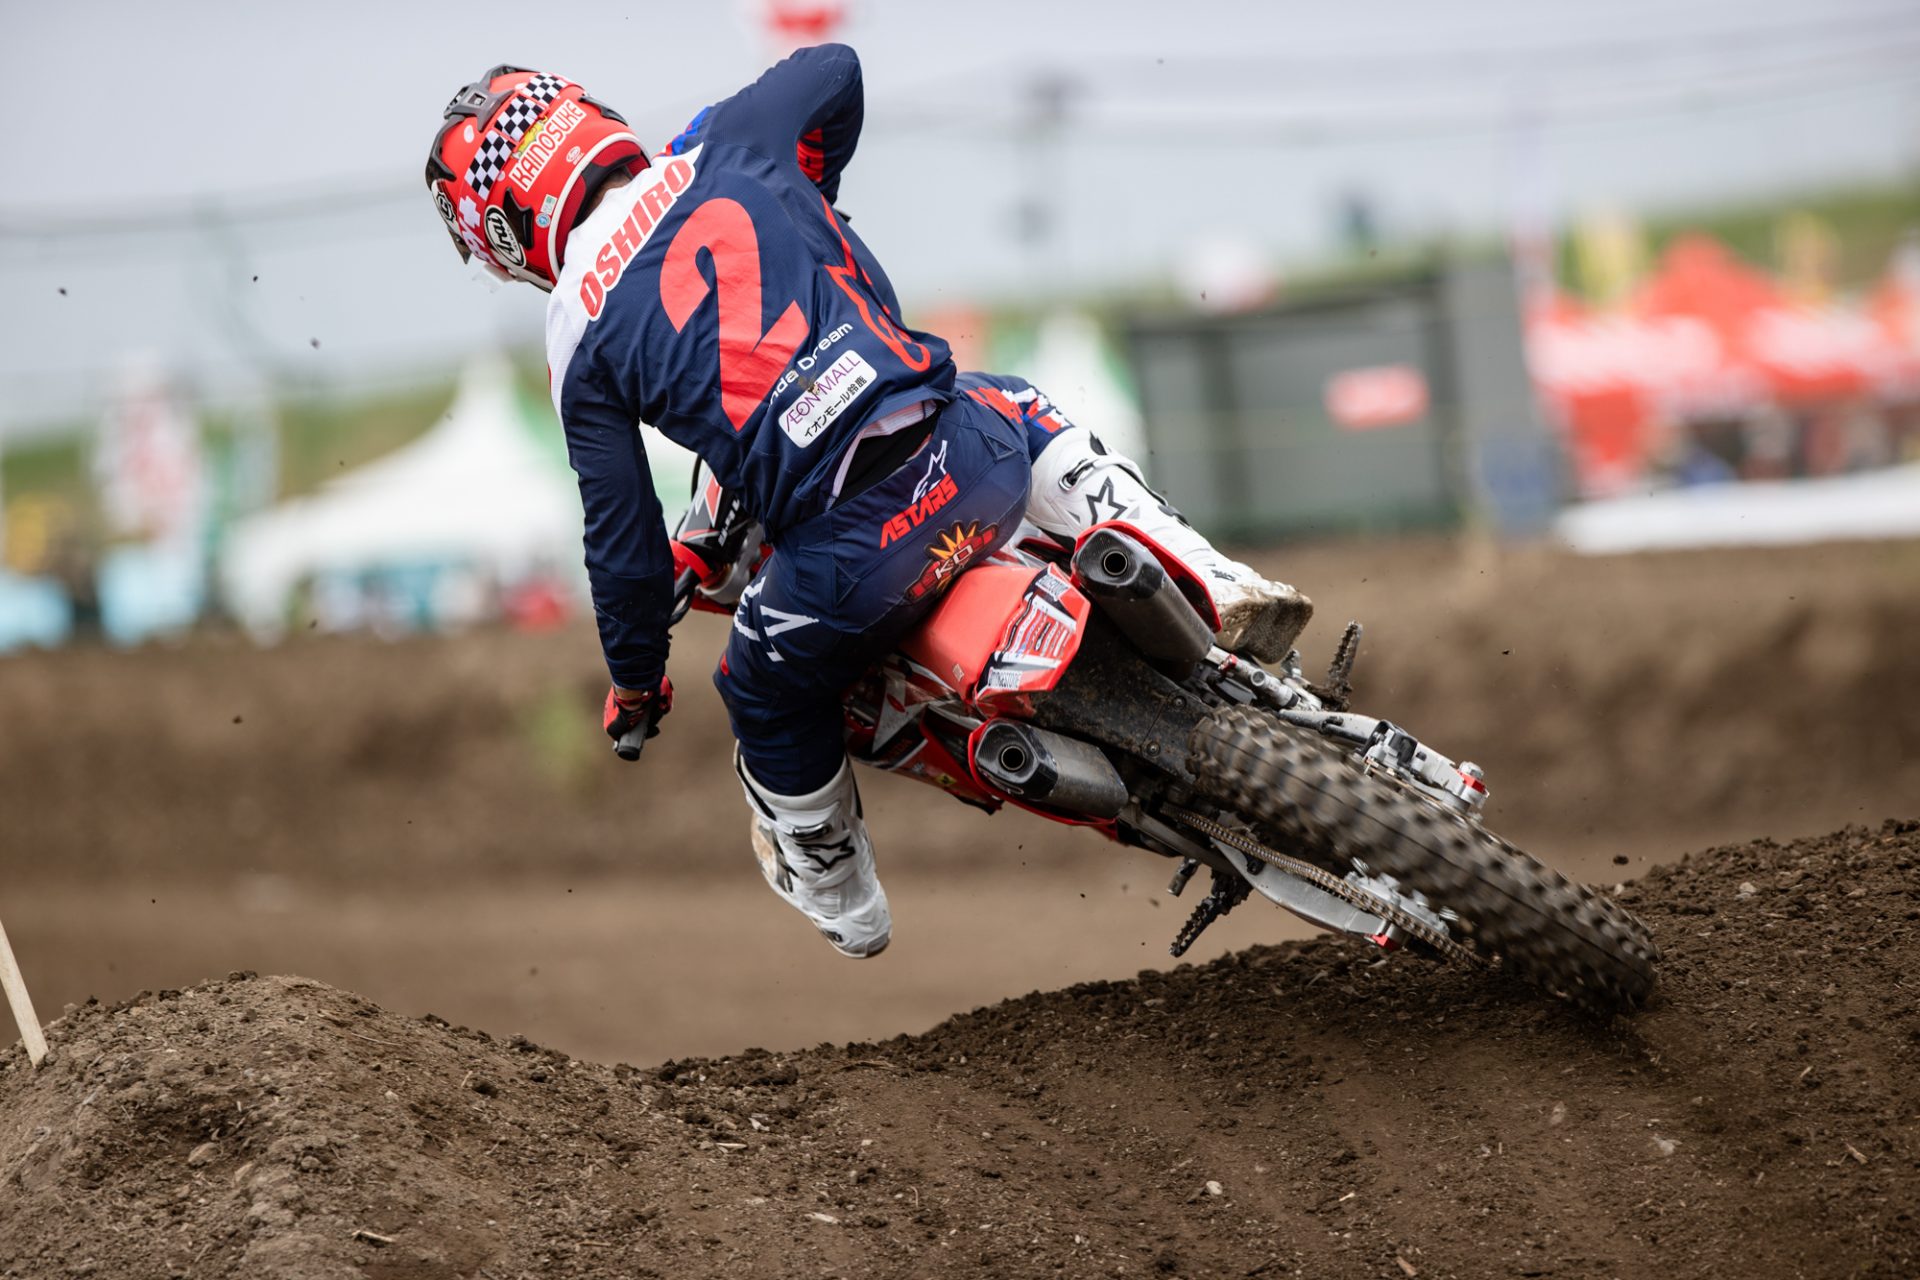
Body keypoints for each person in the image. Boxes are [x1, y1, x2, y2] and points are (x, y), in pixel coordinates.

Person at [424, 46, 1310, 959]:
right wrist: (810, 192)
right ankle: (1213, 577)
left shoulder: (575, 331)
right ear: (585, 117)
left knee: (757, 689)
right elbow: (835, 68)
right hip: (967, 457)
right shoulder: (727, 142)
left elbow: (622, 544)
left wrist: (636, 682)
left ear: (501, 230)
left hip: (849, 560)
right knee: (1021, 406)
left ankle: (841, 893)